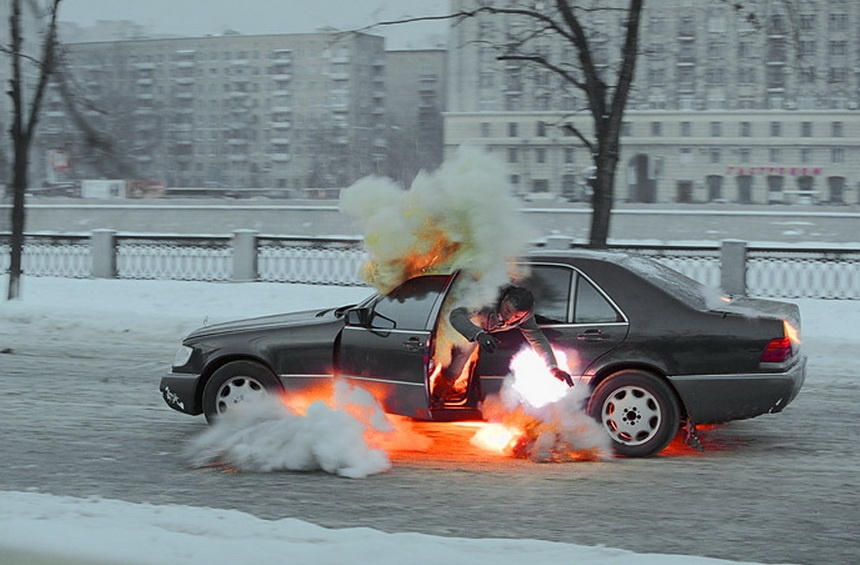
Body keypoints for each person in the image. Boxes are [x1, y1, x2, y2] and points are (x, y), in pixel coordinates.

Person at [434, 285, 573, 403]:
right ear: (504, 300)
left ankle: (443, 392)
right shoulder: (486, 298)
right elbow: (456, 315)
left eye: (517, 317)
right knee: (459, 359)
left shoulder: (526, 315)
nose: (509, 318)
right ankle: (438, 393)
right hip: (464, 328)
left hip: (485, 333)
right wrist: (477, 334)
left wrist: (553, 367)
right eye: (507, 311)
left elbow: (536, 338)